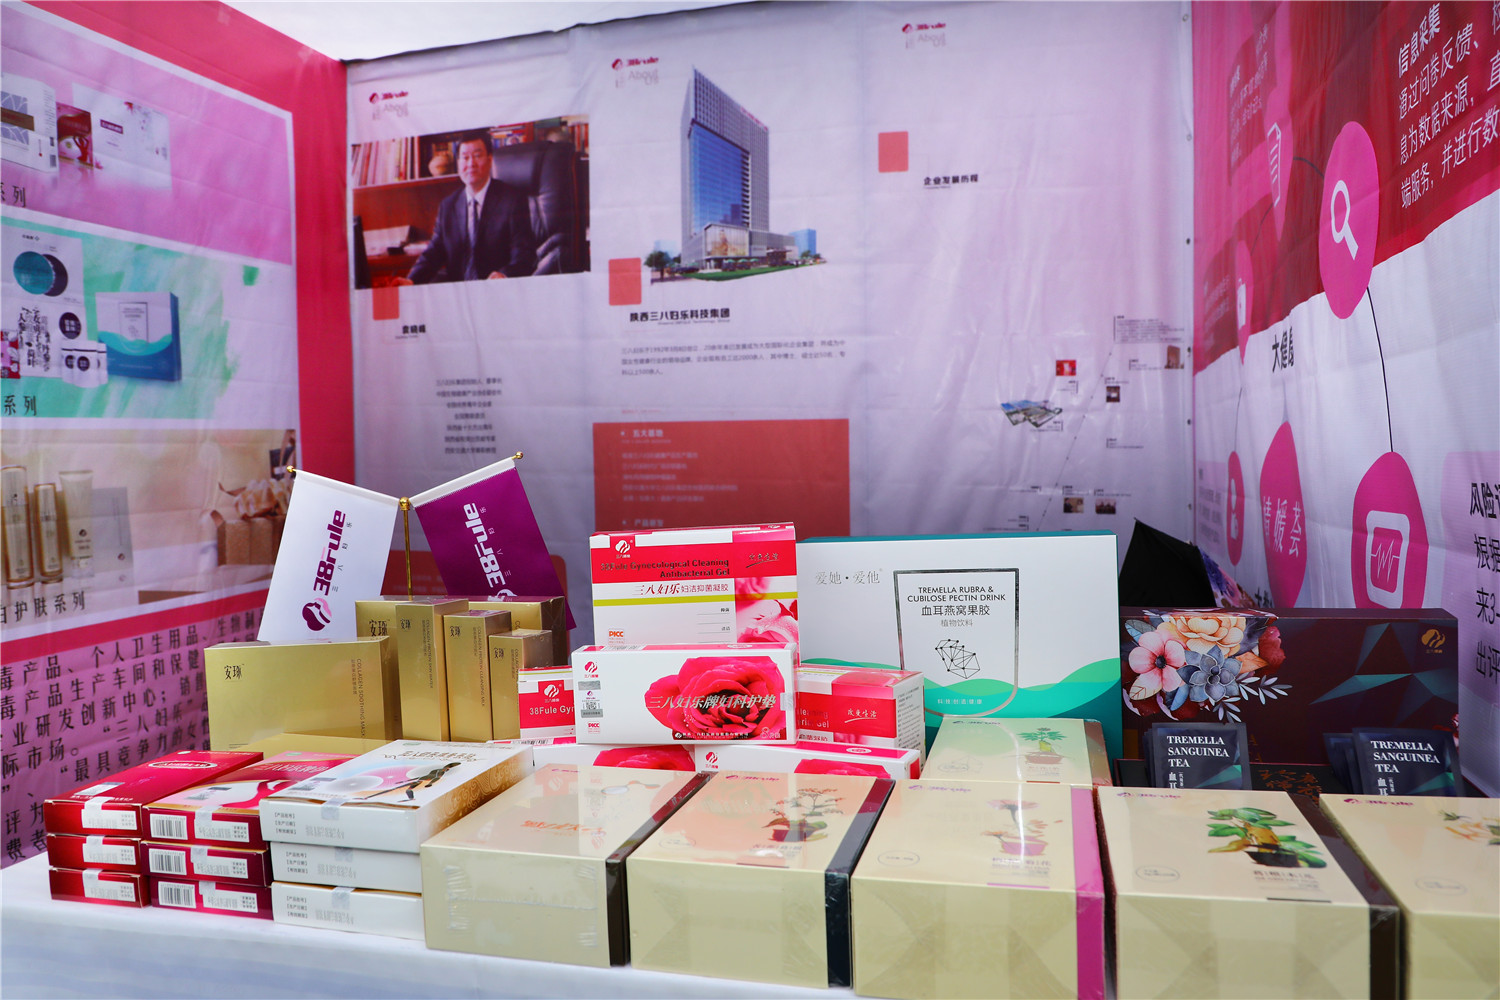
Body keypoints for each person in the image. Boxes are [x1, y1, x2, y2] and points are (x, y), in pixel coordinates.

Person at [397, 131, 535, 283]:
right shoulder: (448, 206)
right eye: (465, 157)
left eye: (477, 156)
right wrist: (411, 280)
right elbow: (433, 253)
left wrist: (503, 275)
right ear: (458, 163)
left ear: (489, 160)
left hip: (496, 288)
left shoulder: (512, 200)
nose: (471, 164)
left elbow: (524, 255)